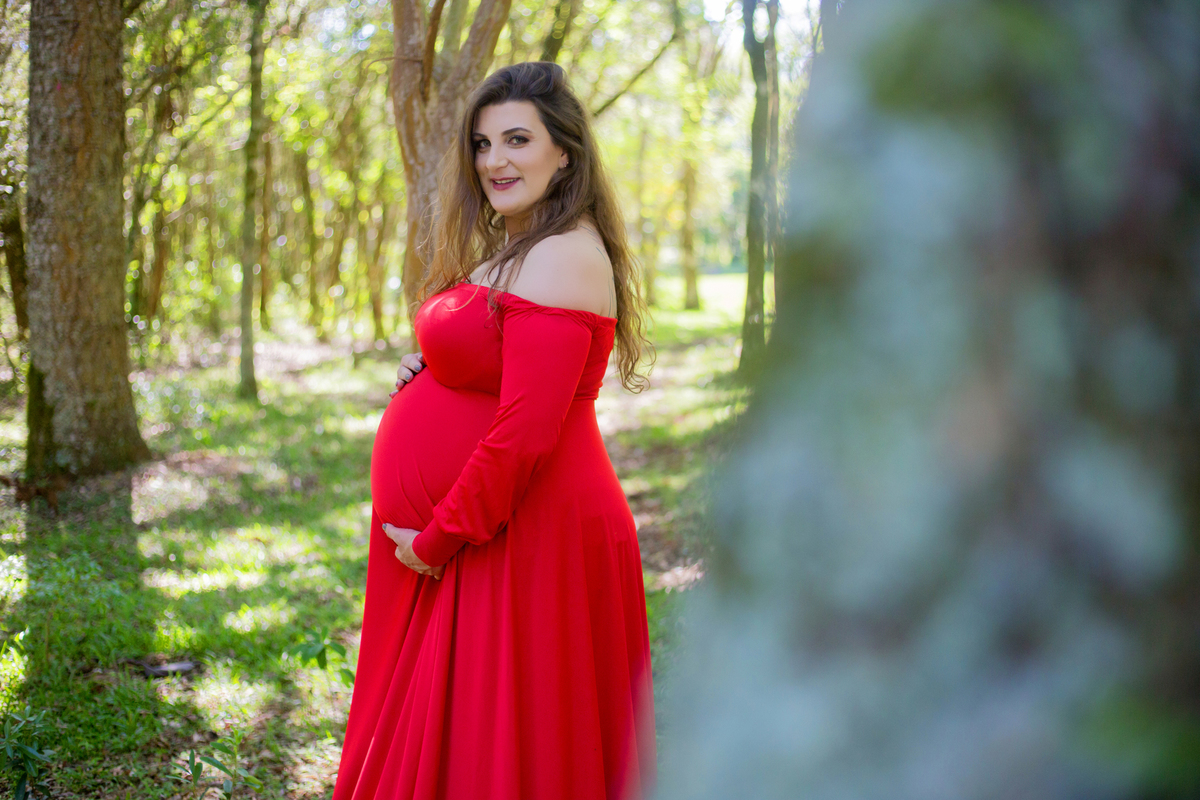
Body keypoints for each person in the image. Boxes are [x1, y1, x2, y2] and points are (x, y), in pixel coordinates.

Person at [332, 61, 657, 800]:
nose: (495, 161)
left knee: (515, 752)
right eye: (482, 144)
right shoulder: (523, 245)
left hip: (528, 530)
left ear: (564, 152)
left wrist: (438, 538)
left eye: (517, 139)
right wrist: (439, 368)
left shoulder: (566, 252)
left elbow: (525, 435)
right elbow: (501, 362)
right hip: (493, 527)